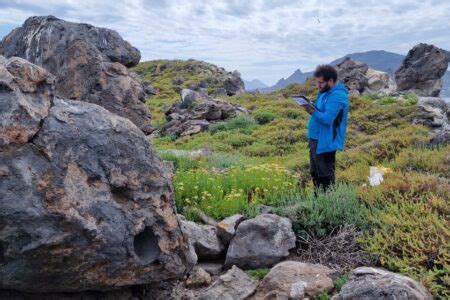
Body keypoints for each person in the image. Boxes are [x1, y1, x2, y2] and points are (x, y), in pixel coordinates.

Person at [303, 65, 349, 193]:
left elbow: (327, 119)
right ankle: (319, 201)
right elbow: (320, 111)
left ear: (331, 81)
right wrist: (310, 107)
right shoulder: (325, 93)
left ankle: (329, 202)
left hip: (325, 140)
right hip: (316, 138)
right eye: (317, 82)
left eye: (321, 82)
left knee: (325, 174)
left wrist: (311, 111)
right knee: (315, 172)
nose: (318, 85)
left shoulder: (337, 96)